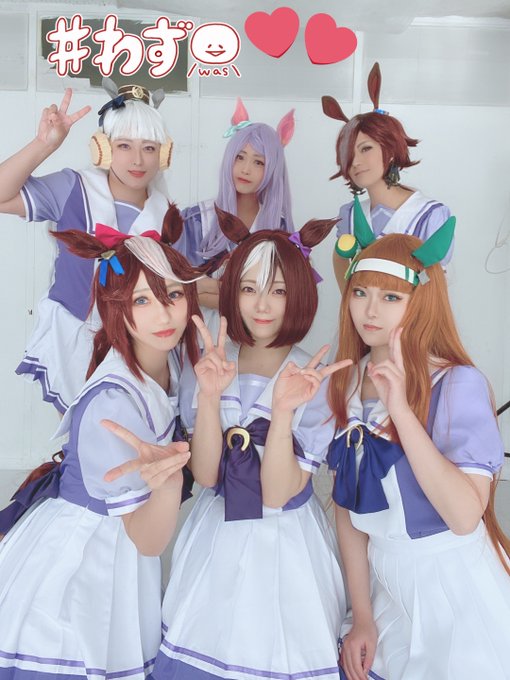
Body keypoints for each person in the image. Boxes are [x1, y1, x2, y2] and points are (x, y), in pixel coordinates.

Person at [142, 209, 351, 680]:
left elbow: (277, 494)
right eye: (249, 288)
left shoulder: (314, 378)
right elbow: (208, 475)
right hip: (216, 535)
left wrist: (283, 413)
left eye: (278, 291)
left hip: (287, 544)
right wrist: (209, 396)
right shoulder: (212, 363)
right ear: (232, 291)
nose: (262, 305)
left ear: (299, 295)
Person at [0, 205, 201, 679]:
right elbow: (148, 540)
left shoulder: (170, 363)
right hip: (81, 560)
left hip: (120, 549)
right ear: (116, 309)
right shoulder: (113, 402)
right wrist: (169, 483)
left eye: (172, 294)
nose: (163, 314)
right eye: (142, 300)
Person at [327, 219, 510, 679]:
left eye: (391, 297)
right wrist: (362, 614)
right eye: (360, 292)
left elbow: (464, 516)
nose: (371, 311)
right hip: (384, 587)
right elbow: (347, 506)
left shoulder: (457, 384)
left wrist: (403, 415)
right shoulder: (347, 381)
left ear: (422, 302)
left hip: (453, 588)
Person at [0, 78, 175, 412]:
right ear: (103, 148)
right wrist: (43, 145)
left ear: (163, 154)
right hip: (75, 338)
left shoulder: (167, 214)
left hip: (140, 346)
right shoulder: (73, 188)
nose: (138, 160)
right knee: (81, 434)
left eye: (149, 148)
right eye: (124, 145)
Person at [322, 63, 452, 293]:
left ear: (390, 150)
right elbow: (343, 271)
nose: (355, 161)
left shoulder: (429, 215)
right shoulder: (349, 215)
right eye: (348, 154)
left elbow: (435, 286)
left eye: (365, 149)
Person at [175, 97, 295, 308]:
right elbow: (179, 288)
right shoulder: (196, 219)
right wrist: (245, 294)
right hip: (203, 327)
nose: (246, 169)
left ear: (273, 169)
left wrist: (213, 288)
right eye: (240, 157)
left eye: (258, 162)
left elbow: (285, 295)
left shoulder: (280, 227)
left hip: (257, 327)